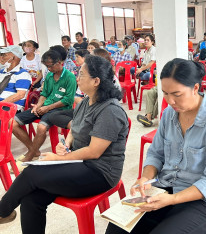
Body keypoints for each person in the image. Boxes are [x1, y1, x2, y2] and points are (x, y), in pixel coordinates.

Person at [0, 55, 129, 234]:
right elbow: (75, 130)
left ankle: (2, 212)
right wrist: (65, 144)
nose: (77, 78)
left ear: (96, 81)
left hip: (100, 172)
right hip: (78, 163)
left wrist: (60, 157)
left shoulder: (110, 110)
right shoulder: (85, 101)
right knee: (31, 199)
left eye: (81, 74)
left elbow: (94, 152)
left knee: (31, 173)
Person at [105, 58, 206, 234]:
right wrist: (145, 178)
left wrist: (172, 200)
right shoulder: (168, 115)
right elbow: (156, 154)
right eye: (165, 93)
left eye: (177, 94)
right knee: (117, 229)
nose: (170, 100)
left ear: (195, 88)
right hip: (167, 188)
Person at [11, 48, 77, 165]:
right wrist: (38, 106)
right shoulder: (50, 76)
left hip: (60, 109)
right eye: (47, 66)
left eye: (50, 66)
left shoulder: (70, 77)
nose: (49, 69)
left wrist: (48, 108)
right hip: (45, 106)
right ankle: (34, 151)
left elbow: (68, 99)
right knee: (12, 123)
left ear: (59, 63)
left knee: (41, 128)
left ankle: (30, 156)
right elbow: (44, 94)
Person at [0, 45, 32, 111]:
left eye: (4, 55)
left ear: (14, 57)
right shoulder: (1, 72)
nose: (1, 57)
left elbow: (20, 95)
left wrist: (1, 104)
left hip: (11, 106)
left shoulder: (23, 74)